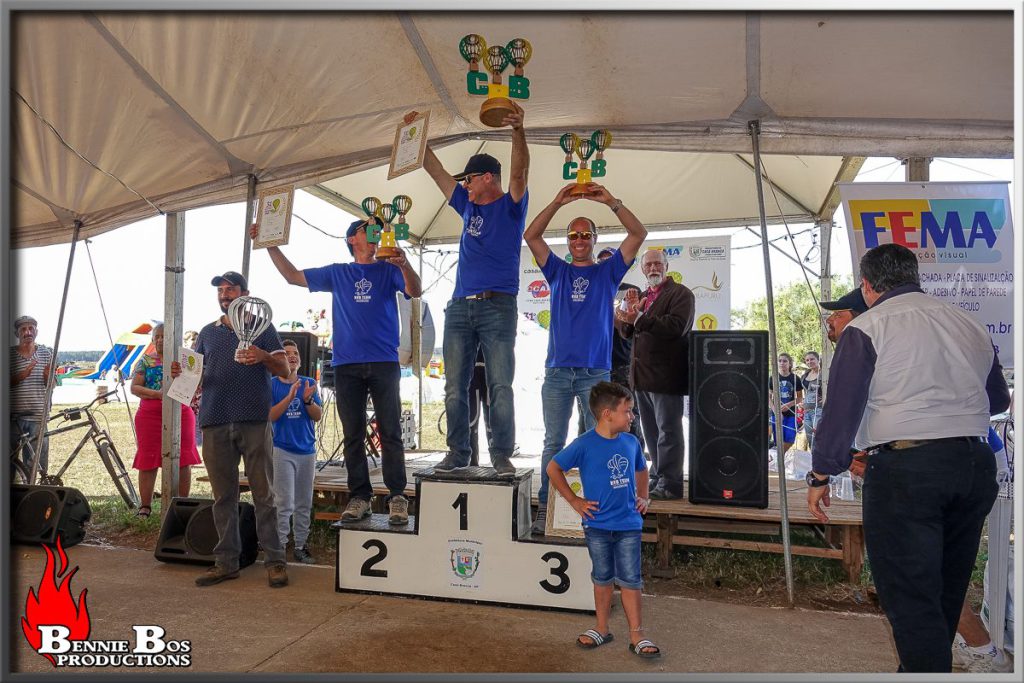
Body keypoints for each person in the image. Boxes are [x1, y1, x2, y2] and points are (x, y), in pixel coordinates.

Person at [807, 243, 1010, 673]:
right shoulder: (969, 323)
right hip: (972, 465)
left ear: (866, 286)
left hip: (908, 473)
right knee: (945, 592)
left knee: (911, 598)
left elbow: (841, 410)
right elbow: (996, 399)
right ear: (914, 275)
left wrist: (820, 473)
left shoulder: (867, 327)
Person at [253, 218, 421, 526]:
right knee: (353, 432)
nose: (374, 235)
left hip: (384, 361)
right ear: (352, 239)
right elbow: (292, 277)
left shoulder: (389, 269)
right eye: (367, 230)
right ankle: (360, 497)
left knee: (391, 431)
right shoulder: (339, 272)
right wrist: (270, 244)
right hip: (346, 364)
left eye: (377, 231)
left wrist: (404, 263)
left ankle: (397, 496)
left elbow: (415, 290)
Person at [407, 106, 528, 475]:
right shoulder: (466, 206)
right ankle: (458, 452)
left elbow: (520, 171)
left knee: (500, 385)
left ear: (488, 178)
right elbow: (437, 172)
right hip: (459, 307)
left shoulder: (511, 207)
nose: (465, 186)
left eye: (470, 180)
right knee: (453, 386)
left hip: (498, 306)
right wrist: (417, 135)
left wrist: (519, 131)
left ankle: (502, 453)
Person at [525, 182, 646, 533]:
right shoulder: (557, 270)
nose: (579, 240)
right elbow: (532, 235)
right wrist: (558, 200)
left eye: (585, 235)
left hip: (595, 372)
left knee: (591, 441)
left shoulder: (607, 272)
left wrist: (611, 200)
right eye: (573, 235)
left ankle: (585, 513)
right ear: (568, 241)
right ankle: (548, 511)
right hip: (559, 372)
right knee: (553, 441)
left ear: (594, 239)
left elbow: (638, 232)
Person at [172, 270, 291, 589]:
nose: (225, 295)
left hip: (253, 418)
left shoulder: (262, 327)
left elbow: (285, 370)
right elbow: (192, 375)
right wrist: (180, 373)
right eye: (221, 291)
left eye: (231, 289)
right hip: (214, 419)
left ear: (245, 293)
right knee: (222, 495)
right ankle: (226, 562)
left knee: (264, 493)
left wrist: (263, 355)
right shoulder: (207, 334)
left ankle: (276, 560)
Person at [546, 381, 659, 658]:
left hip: (629, 525)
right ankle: (601, 628)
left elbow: (642, 471)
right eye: (627, 411)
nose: (632, 416)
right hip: (596, 525)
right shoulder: (584, 444)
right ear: (607, 414)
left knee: (631, 579)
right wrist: (575, 501)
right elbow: (553, 467)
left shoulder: (631, 442)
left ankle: (637, 635)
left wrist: (644, 497)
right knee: (602, 577)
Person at [614, 249, 695, 500]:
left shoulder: (681, 294)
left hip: (666, 377)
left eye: (657, 264)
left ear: (667, 266)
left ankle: (671, 484)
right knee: (651, 433)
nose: (653, 269)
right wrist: (624, 316)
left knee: (668, 432)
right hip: (641, 378)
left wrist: (638, 317)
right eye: (648, 265)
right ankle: (659, 477)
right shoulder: (643, 295)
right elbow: (628, 333)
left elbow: (676, 327)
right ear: (642, 269)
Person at [129, 323, 202, 518]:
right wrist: (157, 394)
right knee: (148, 458)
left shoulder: (186, 360)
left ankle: (182, 503)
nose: (160, 340)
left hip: (181, 412)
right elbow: (134, 387)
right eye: (157, 337)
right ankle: (145, 506)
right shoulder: (145, 361)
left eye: (164, 336)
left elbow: (195, 384)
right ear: (152, 340)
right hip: (149, 415)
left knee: (184, 457)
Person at [269, 339, 323, 564]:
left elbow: (317, 416)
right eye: (286, 353)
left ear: (300, 360)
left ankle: (300, 545)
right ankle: (280, 546)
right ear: (279, 359)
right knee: (284, 501)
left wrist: (308, 399)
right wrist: (290, 397)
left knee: (304, 501)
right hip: (282, 449)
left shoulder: (308, 382)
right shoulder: (272, 384)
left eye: (295, 353)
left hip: (307, 451)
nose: (292, 356)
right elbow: (269, 416)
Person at [597, 247, 643, 444]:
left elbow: (629, 326)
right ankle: (598, 454)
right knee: (596, 412)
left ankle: (635, 455)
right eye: (601, 262)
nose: (606, 265)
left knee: (628, 410)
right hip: (595, 362)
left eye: (610, 261)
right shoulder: (591, 288)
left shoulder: (631, 291)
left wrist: (613, 312)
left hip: (623, 360)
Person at [10, 315, 54, 477]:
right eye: (23, 329)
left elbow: (52, 385)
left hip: (38, 417)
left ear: (36, 331)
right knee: (9, 463)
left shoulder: (46, 353)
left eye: (31, 328)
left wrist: (48, 377)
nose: (27, 332)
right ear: (17, 334)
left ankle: (34, 497)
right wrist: (22, 375)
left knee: (37, 465)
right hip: (12, 418)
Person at [768, 353, 803, 455]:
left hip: (791, 413)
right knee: (778, 439)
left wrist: (789, 405)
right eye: (780, 361)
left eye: (785, 361)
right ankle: (779, 461)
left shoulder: (795, 378)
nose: (782, 363)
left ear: (790, 364)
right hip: (776, 413)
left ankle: (779, 457)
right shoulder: (773, 378)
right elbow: (769, 398)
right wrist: (776, 412)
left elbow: (800, 398)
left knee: (790, 438)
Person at [182, 330, 203, 448]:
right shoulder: (184, 357)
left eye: (197, 339)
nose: (195, 342)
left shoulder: (201, 357)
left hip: (199, 397)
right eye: (192, 339)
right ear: (185, 343)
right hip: (187, 397)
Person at [800, 351, 822, 445]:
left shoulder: (825, 373)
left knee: (818, 438)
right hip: (807, 411)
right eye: (807, 360)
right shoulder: (805, 375)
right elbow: (805, 392)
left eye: (812, 359)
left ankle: (820, 459)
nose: (809, 362)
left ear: (818, 359)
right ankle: (812, 459)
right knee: (810, 439)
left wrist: (826, 398)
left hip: (819, 410)